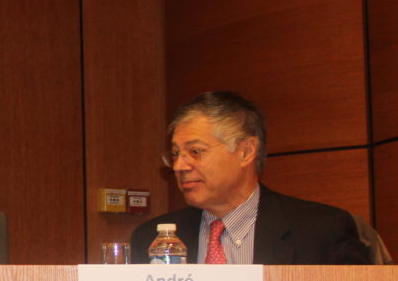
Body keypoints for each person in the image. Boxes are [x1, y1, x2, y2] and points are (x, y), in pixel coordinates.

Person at [131, 91, 368, 265]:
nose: (179, 166)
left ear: (246, 152)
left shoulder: (322, 232)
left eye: (195, 151)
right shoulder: (151, 239)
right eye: (175, 154)